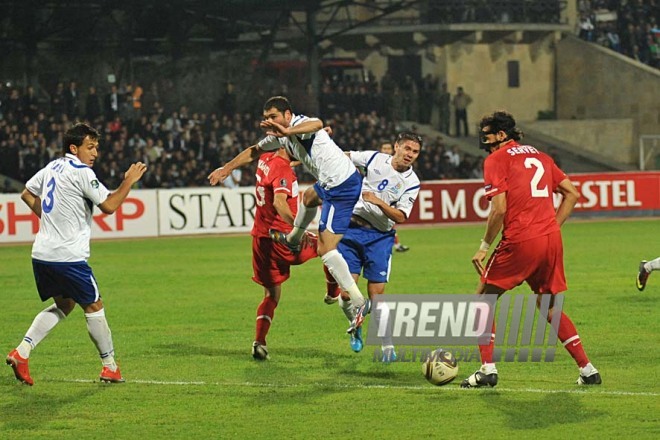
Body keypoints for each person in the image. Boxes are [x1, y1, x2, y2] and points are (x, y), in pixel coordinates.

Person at [461, 110, 601, 388]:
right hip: (550, 239)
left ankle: (487, 370)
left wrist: (484, 246)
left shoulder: (496, 159)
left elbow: (498, 209)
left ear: (501, 135)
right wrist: (551, 226)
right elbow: (572, 193)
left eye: (487, 136)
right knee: (548, 305)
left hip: (520, 239)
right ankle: (588, 369)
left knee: (482, 301)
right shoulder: (541, 156)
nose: (484, 141)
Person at [208, 96, 369, 330]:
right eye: (266, 119)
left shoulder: (300, 125)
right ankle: (294, 236)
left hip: (341, 186)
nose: (270, 122)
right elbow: (254, 151)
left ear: (287, 114)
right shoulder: (282, 137)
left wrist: (286, 130)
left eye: (274, 117)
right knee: (308, 197)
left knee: (325, 248)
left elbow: (316, 123)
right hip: (329, 183)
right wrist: (226, 168)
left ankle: (358, 300)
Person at [5, 122, 147, 385]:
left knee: (65, 304)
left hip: (42, 254)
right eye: (90, 147)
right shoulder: (82, 173)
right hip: (68, 258)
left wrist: (50, 220)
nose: (95, 153)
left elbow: (27, 193)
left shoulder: (52, 167)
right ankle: (110, 367)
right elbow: (109, 206)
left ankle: (21, 352)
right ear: (74, 148)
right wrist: (129, 181)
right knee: (94, 306)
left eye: (96, 147)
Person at [334, 132, 422, 360]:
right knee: (345, 293)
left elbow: (401, 217)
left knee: (377, 296)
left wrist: (378, 202)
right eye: (407, 149)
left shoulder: (412, 183)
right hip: (350, 232)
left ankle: (387, 347)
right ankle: (355, 327)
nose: (410, 155)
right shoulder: (374, 158)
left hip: (380, 237)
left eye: (415, 152)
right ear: (396, 147)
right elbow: (345, 156)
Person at [249, 147, 337, 360]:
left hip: (260, 239)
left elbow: (287, 162)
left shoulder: (266, 159)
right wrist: (298, 228)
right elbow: (279, 202)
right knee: (329, 244)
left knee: (272, 294)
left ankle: (259, 342)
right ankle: (332, 292)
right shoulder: (283, 171)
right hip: (283, 238)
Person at [378, 142, 410, 252]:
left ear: (393, 150)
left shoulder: (400, 166)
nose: (386, 150)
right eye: (384, 148)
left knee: (389, 222)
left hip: (390, 198)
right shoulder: (376, 163)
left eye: (388, 148)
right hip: (374, 198)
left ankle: (394, 244)